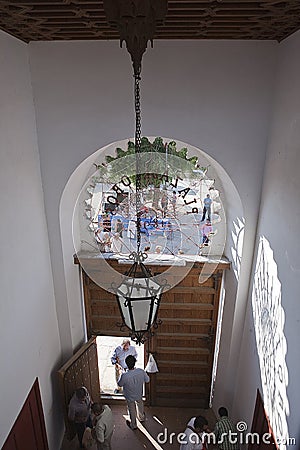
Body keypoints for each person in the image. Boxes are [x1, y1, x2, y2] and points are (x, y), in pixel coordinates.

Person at [118, 354, 150, 430]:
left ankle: (133, 425)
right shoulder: (141, 371)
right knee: (140, 404)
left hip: (129, 396)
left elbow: (120, 384)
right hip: (139, 393)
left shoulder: (124, 375)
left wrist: (120, 373)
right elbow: (147, 380)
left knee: (131, 409)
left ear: (126, 364)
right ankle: (141, 417)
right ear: (135, 362)